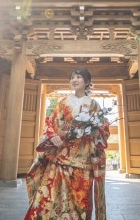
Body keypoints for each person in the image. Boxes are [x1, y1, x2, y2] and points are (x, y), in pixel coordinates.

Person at [24, 68, 110, 220]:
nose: (74, 80)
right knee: (53, 195)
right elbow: (50, 123)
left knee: (81, 198)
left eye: (79, 77)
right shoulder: (62, 103)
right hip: (62, 156)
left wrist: (96, 132)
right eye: (72, 77)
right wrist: (53, 135)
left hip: (84, 159)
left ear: (87, 82)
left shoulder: (94, 105)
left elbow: (104, 129)